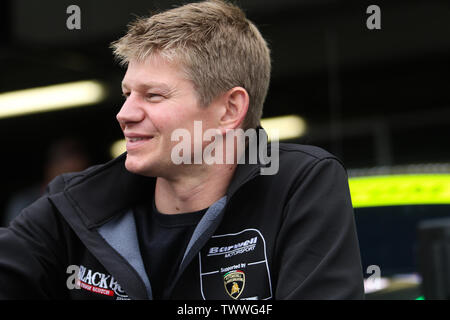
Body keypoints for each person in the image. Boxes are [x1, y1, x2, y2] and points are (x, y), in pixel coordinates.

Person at [0, 0, 364, 300]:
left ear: (229, 110)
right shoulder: (77, 204)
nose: (124, 114)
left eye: (153, 95)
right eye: (127, 94)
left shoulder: (297, 186)